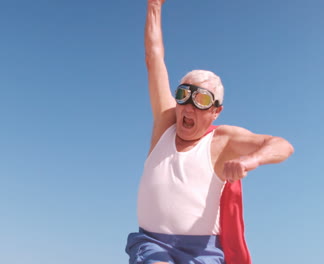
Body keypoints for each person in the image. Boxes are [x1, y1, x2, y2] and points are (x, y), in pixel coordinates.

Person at [125, 0, 294, 263]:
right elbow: (153, 58)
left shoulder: (222, 140)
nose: (188, 108)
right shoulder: (165, 124)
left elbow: (283, 145)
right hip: (152, 243)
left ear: (216, 111)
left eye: (201, 101)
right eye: (183, 95)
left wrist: (251, 160)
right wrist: (154, 6)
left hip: (203, 250)